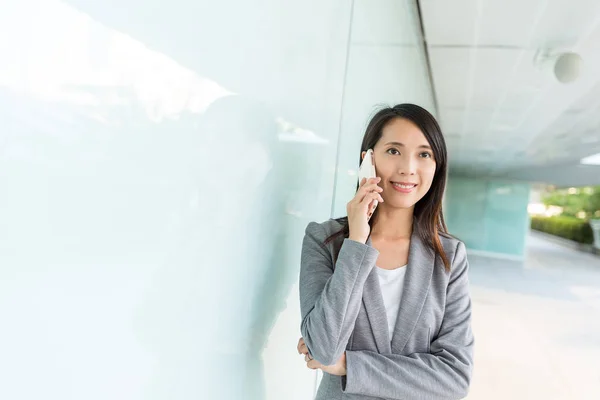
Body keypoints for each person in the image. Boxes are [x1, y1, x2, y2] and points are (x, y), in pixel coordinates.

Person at [296, 104, 474, 399]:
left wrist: (350, 367)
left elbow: (454, 379)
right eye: (394, 151)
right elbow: (325, 349)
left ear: (436, 167)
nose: (408, 168)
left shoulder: (449, 255)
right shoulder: (324, 240)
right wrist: (356, 242)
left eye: (424, 154)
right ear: (368, 159)